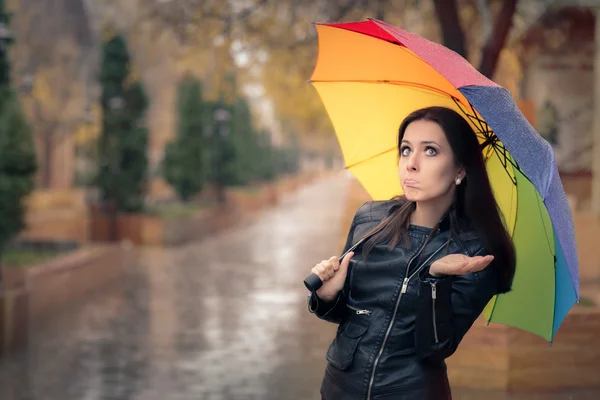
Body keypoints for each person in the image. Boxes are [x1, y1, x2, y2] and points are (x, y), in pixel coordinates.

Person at [307, 106, 516, 400]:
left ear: (460, 169)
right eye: (406, 150)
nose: (411, 164)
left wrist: (435, 280)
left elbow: (436, 348)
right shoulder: (370, 220)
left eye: (430, 151)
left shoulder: (475, 252)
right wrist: (328, 296)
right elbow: (351, 318)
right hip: (339, 388)